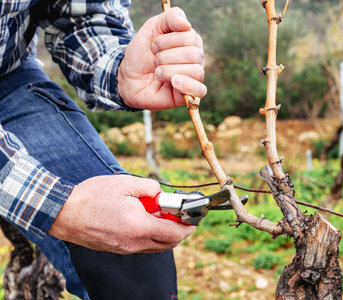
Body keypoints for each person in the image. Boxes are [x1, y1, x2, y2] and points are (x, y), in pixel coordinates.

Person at [0, 0, 206, 299]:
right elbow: (55, 204)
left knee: (130, 257)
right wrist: (57, 206)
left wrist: (118, 70)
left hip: (9, 75)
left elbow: (79, 13)